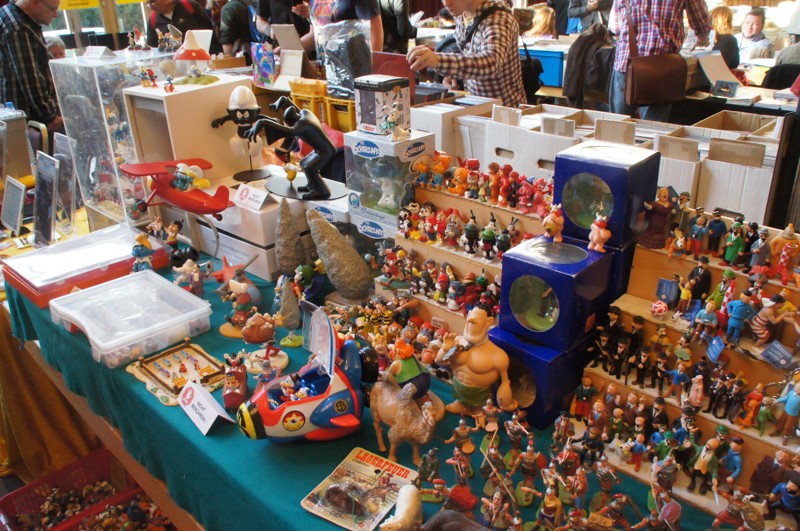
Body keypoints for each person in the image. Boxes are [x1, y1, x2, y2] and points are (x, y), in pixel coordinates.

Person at [406, 0, 525, 107]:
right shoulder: (463, 15)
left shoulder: (499, 19)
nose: (446, 3)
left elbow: (491, 62)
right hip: (476, 105)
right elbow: (468, 53)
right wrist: (453, 73)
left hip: (504, 111)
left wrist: (438, 60)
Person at [608, 0, 711, 122]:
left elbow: (615, 27)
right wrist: (702, 39)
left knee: (617, 124)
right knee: (653, 127)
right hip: (662, 67)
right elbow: (702, 22)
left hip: (627, 63)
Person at [435, 306, 517, 415]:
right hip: (458, 389)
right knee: (460, 401)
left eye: (476, 320)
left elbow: (505, 382)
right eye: (469, 317)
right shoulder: (458, 343)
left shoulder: (497, 355)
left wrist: (505, 404)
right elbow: (439, 361)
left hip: (480, 398)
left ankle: (475, 409)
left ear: (488, 322)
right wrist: (445, 349)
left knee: (479, 412)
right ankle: (461, 405)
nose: (470, 321)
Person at [0, 0, 64, 133]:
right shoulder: (19, 28)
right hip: (30, 118)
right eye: (52, 9)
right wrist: (50, 115)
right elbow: (30, 79)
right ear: (35, 2)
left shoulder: (11, 15)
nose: (55, 14)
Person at [302, 0, 383, 53]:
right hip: (324, 67)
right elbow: (315, 35)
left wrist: (373, 68)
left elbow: (375, 35)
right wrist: (294, 49)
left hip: (355, 66)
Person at [146, 0, 222, 53]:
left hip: (202, 56)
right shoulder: (153, 20)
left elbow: (210, 33)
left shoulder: (190, 6)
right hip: (174, 64)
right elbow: (152, 49)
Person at [709, 5, 738, 70]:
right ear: (728, 21)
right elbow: (734, 64)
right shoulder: (730, 40)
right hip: (718, 74)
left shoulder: (704, 38)